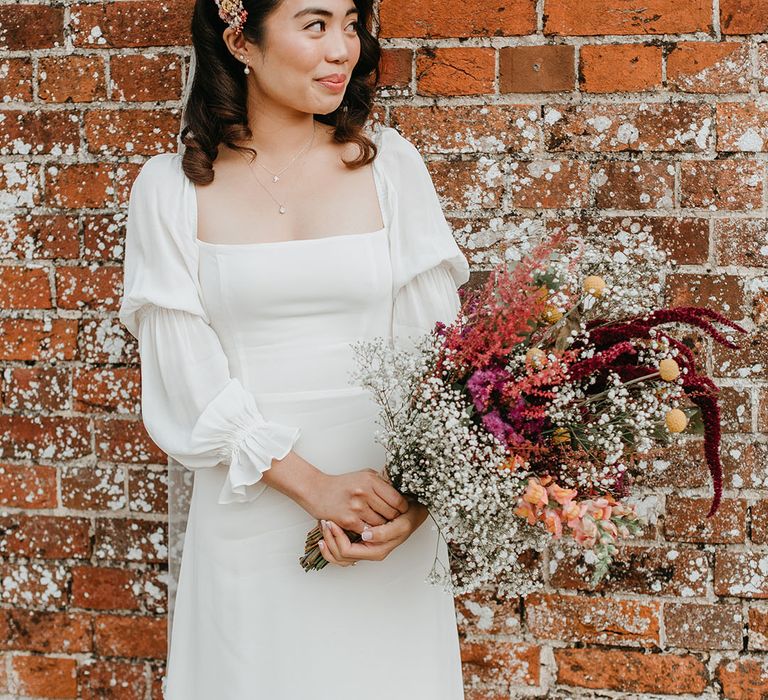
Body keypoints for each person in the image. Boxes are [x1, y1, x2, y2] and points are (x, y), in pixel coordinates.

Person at [118, 0, 471, 697]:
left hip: (382, 516)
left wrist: (412, 505)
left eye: (350, 23)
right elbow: (185, 375)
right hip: (252, 514)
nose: (343, 48)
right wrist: (314, 488)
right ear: (241, 40)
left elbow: (442, 362)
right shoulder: (169, 190)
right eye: (315, 26)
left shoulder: (391, 168)